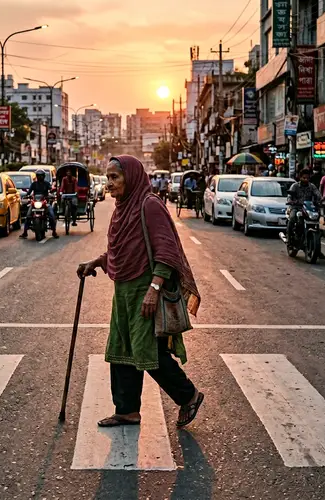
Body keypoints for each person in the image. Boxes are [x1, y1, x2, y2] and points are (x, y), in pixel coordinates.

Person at [77, 155, 204, 429]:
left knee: (148, 350)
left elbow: (167, 252)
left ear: (131, 177)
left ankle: (189, 395)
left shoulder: (149, 205)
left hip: (145, 289)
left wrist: (154, 289)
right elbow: (120, 249)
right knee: (121, 347)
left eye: (115, 177)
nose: (109, 184)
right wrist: (96, 262)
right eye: (108, 178)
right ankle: (126, 410)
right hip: (124, 291)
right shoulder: (122, 208)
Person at [287, 168, 325, 259]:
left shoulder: (311, 186)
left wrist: (322, 201)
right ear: (300, 177)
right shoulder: (295, 186)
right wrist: (291, 201)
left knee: (317, 226)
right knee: (292, 219)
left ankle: (317, 249)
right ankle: (290, 240)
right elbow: (289, 197)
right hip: (296, 208)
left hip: (308, 209)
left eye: (307, 178)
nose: (306, 179)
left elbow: (318, 194)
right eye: (304, 178)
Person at [20, 170, 59, 239]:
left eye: (41, 175)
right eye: (38, 175)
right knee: (28, 216)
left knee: (52, 216)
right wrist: (26, 195)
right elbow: (29, 192)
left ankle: (54, 232)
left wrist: (53, 190)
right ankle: (25, 232)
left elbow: (51, 188)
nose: (40, 177)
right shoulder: (34, 184)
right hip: (35, 202)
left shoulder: (46, 183)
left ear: (44, 176)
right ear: (37, 176)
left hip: (45, 202)